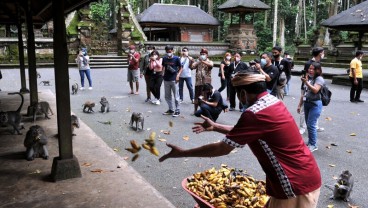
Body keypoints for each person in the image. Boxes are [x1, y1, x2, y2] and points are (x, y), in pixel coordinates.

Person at [159, 71, 321, 208]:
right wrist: (216, 126)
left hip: (294, 186)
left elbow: (222, 148)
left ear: (242, 93)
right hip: (306, 175)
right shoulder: (273, 102)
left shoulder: (254, 114)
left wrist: (181, 153)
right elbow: (249, 132)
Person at [297, 62, 325, 152]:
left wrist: (306, 82)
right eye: (309, 68)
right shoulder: (309, 78)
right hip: (307, 103)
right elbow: (304, 93)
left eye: (313, 69)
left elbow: (315, 90)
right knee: (309, 125)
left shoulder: (319, 79)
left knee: (311, 125)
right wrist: (299, 105)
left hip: (315, 104)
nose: (310, 70)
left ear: (318, 70)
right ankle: (310, 142)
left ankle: (313, 144)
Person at [191, 48, 214, 114]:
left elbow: (211, 65)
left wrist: (202, 61)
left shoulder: (209, 61)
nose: (202, 55)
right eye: (201, 54)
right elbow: (192, 67)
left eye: (204, 54)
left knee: (205, 97)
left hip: (206, 83)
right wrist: (192, 61)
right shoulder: (198, 61)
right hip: (198, 82)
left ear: (207, 55)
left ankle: (204, 111)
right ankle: (195, 110)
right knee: (197, 96)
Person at [162, 45, 182, 117]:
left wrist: (178, 75)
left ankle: (177, 110)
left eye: (169, 51)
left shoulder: (176, 58)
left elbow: (180, 68)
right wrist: (162, 74)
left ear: (172, 51)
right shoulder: (164, 58)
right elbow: (163, 66)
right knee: (167, 96)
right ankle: (171, 109)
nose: (168, 52)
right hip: (166, 79)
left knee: (176, 96)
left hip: (174, 79)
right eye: (167, 51)